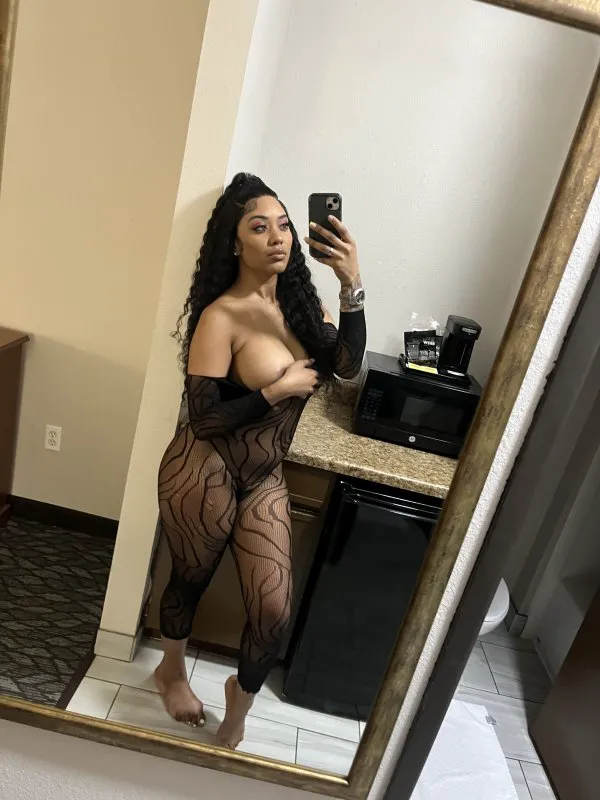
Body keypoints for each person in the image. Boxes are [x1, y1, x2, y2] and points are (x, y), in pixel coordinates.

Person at [154, 173, 366, 749]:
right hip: (205, 467)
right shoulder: (220, 316)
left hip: (262, 475)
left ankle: (237, 709)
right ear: (234, 243)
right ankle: (170, 670)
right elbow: (203, 419)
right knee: (190, 579)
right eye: (258, 227)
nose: (277, 238)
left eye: (285, 226)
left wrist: (351, 283)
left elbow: (347, 366)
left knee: (272, 612)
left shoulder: (302, 308)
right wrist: (277, 389)